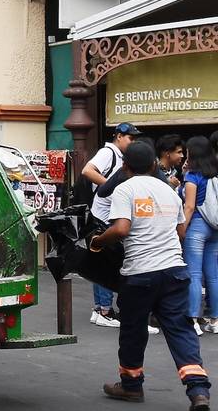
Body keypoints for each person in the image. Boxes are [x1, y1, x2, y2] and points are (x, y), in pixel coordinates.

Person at [90, 142, 211, 411]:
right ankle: (198, 390)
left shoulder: (124, 189)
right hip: (174, 271)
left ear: (125, 167)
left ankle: (131, 386)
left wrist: (98, 241)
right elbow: (180, 232)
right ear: (155, 165)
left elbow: (121, 229)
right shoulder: (169, 191)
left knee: (133, 329)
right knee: (180, 329)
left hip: (140, 274)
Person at [82, 122, 141, 327]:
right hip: (102, 217)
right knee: (107, 262)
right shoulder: (109, 152)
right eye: (130, 138)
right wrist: (110, 186)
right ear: (118, 136)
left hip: (108, 216)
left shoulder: (122, 156)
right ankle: (103, 310)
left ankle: (103, 309)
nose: (133, 142)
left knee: (106, 261)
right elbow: (87, 171)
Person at [180, 136, 218, 335]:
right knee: (213, 275)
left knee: (194, 274)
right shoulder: (214, 173)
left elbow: (189, 206)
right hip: (215, 227)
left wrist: (182, 230)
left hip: (197, 226)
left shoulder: (193, 176)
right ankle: (215, 319)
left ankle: (193, 319)